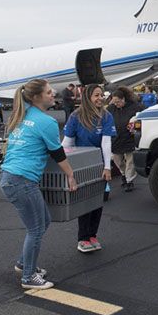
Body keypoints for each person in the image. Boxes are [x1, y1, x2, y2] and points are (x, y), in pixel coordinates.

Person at [0, 79, 77, 290]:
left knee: (44, 221)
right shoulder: (46, 122)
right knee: (35, 229)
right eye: (49, 92)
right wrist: (70, 176)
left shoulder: (23, 117)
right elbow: (58, 152)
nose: (53, 94)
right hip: (21, 181)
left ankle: (24, 263)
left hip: (11, 178)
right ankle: (28, 277)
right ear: (36, 98)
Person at [62, 84, 116, 253]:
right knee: (85, 201)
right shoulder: (75, 116)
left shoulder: (106, 116)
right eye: (96, 95)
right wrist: (61, 164)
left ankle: (92, 235)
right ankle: (83, 238)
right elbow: (67, 143)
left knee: (98, 201)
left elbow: (106, 143)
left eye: (101, 95)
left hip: (99, 164)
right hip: (80, 165)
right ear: (88, 98)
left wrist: (107, 167)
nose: (100, 98)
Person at [106, 86, 144, 192]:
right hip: (116, 140)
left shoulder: (135, 107)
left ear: (123, 99)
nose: (117, 104)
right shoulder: (110, 108)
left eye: (118, 102)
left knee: (130, 161)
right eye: (114, 102)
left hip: (129, 139)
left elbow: (143, 115)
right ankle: (123, 174)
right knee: (118, 161)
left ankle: (129, 180)